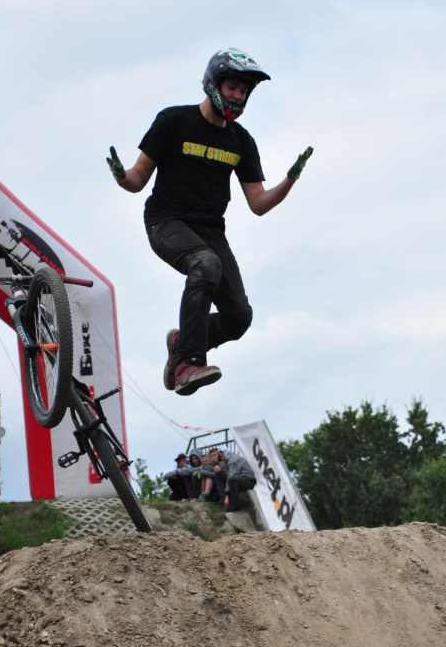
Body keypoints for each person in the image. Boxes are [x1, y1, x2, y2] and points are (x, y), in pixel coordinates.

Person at [106, 48, 313, 396]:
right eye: (233, 86)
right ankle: (188, 363)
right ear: (213, 83)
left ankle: (181, 344)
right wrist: (120, 175)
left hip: (209, 232)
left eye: (244, 91)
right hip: (166, 221)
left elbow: (258, 204)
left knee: (239, 317)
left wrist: (290, 179)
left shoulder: (241, 141)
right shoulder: (173, 122)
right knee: (204, 264)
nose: (238, 95)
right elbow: (137, 180)